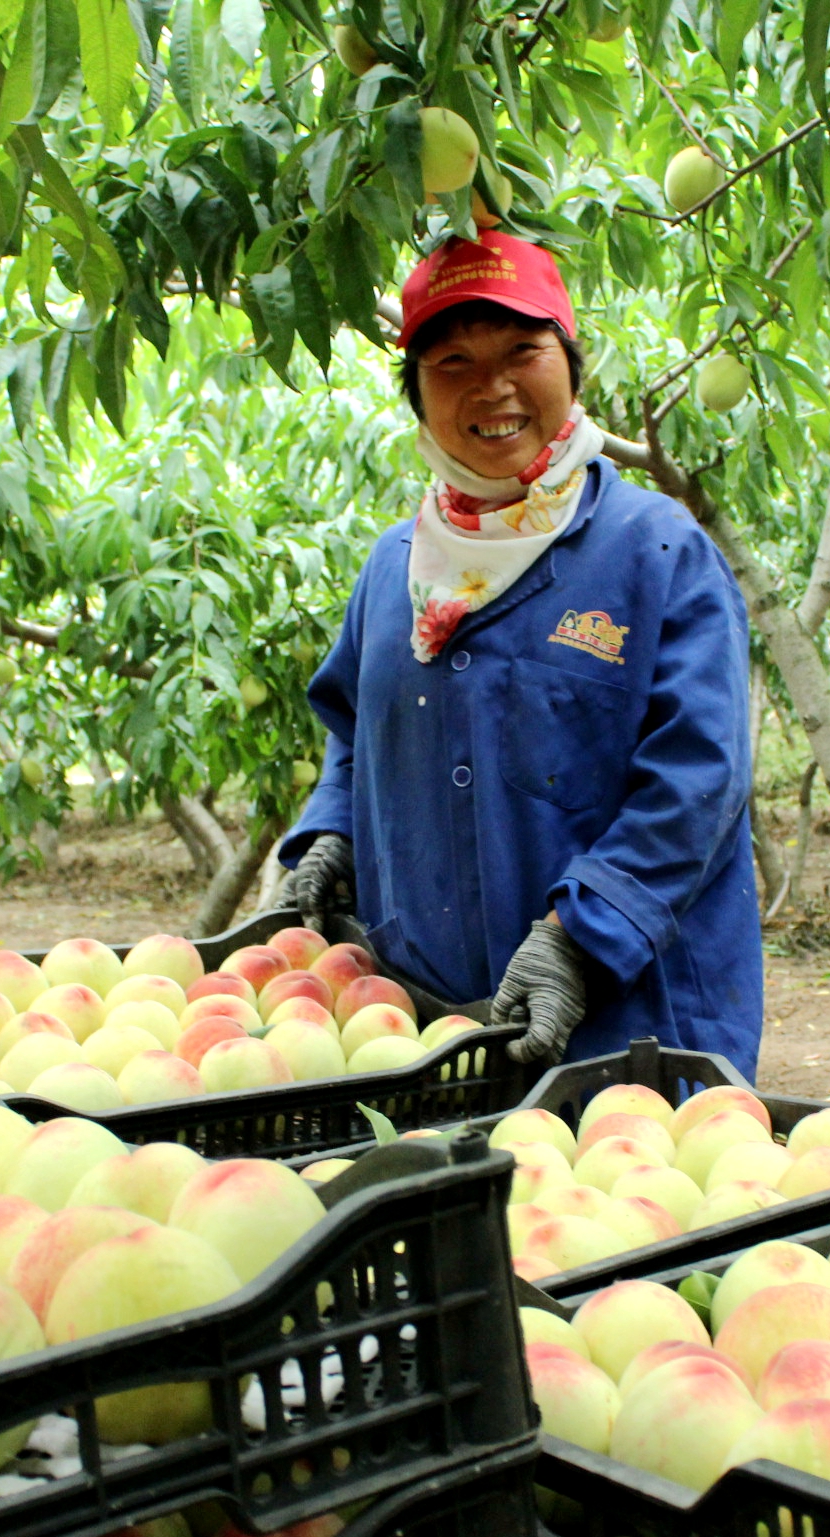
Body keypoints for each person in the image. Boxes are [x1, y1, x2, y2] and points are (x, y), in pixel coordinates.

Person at [277, 230, 762, 1075]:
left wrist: (583, 936)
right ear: (417, 393)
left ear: (571, 365)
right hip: (433, 1042)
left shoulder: (656, 553)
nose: (492, 386)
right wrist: (331, 833)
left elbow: (698, 777)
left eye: (521, 352)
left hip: (632, 1037)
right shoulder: (396, 571)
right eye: (452, 363)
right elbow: (357, 740)